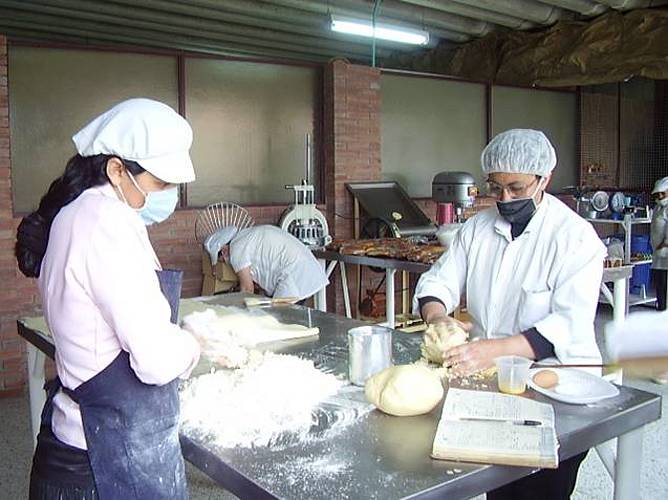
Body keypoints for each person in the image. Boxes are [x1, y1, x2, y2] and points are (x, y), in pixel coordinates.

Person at [16, 98, 202, 499]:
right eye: (161, 184)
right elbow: (153, 359)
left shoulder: (77, 214)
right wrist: (191, 343)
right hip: (105, 458)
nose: (167, 195)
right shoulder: (106, 225)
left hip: (83, 440)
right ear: (117, 169)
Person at [413, 129, 606, 500]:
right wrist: (439, 319)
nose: (504, 199)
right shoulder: (477, 229)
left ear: (544, 179)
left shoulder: (574, 238)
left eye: (516, 188)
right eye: (496, 188)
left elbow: (567, 325)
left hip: (559, 385)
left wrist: (494, 349)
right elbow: (439, 282)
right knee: (498, 483)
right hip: (494, 383)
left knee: (539, 489)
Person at [205, 224, 328, 301]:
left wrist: (238, 313)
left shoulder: (237, 249)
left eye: (222, 260)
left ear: (224, 250)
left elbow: (247, 289)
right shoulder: (245, 236)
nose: (226, 263)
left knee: (278, 322)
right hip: (305, 269)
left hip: (295, 276)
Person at [651, 176, 668, 312]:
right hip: (658, 255)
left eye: (664, 193)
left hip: (665, 253)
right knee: (660, 286)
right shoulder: (658, 208)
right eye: (658, 194)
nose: (661, 196)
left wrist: (664, 245)